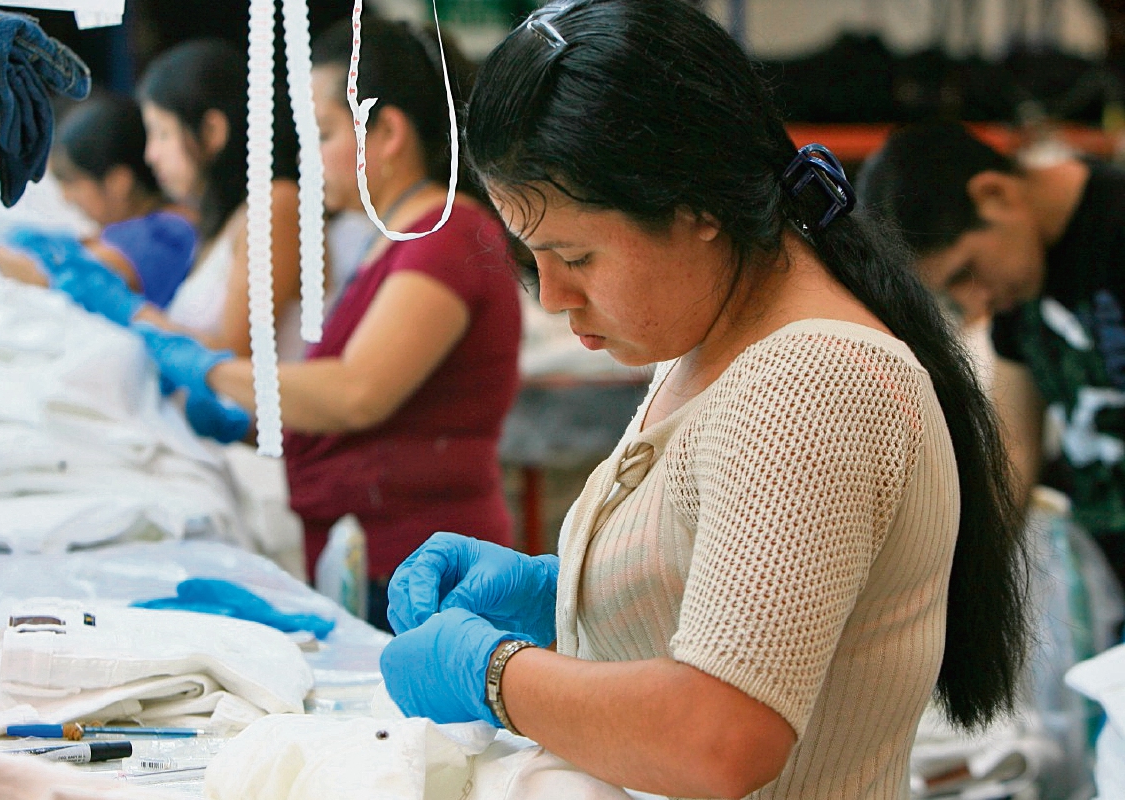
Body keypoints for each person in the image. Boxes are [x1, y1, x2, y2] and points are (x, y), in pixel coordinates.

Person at [377, 1, 1030, 798]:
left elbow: (720, 739)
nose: (550, 295)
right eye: (533, 256)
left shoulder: (812, 387)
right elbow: (745, 594)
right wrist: (571, 596)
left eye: (576, 253)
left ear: (696, 209)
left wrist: (496, 676)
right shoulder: (714, 339)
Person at [137, 18, 523, 631]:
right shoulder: (391, 241)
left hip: (426, 573)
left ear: (388, 132)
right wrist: (251, 415)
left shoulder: (447, 236)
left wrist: (217, 372)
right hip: (374, 558)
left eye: (322, 134)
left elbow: (356, 393)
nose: (310, 159)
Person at [858, 120, 1125, 591]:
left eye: (967, 273)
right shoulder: (1016, 280)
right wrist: (947, 589)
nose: (976, 303)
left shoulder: (1113, 225)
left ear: (994, 194)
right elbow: (1012, 454)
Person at [53, 39, 304, 360]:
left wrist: (133, 314)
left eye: (163, 133)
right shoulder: (221, 220)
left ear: (212, 131)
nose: (151, 154)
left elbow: (236, 360)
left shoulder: (275, 203)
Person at [0, 93, 198, 311]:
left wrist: (10, 259)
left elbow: (73, 284)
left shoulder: (164, 236)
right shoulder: (147, 226)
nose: (66, 197)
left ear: (119, 183)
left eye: (72, 182)